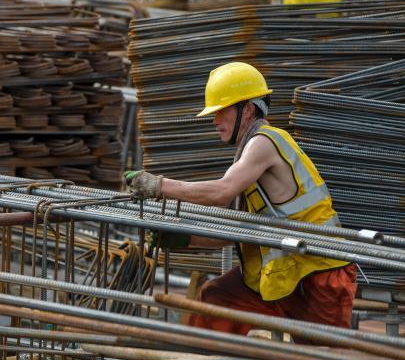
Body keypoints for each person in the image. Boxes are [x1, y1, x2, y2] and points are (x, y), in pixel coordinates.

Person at [123, 62, 357, 337]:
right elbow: (237, 231)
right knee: (217, 298)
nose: (214, 120)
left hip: (320, 273)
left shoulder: (264, 142)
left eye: (221, 110)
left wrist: (158, 185)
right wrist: (185, 239)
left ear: (247, 109)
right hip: (285, 277)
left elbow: (221, 192)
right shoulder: (248, 156)